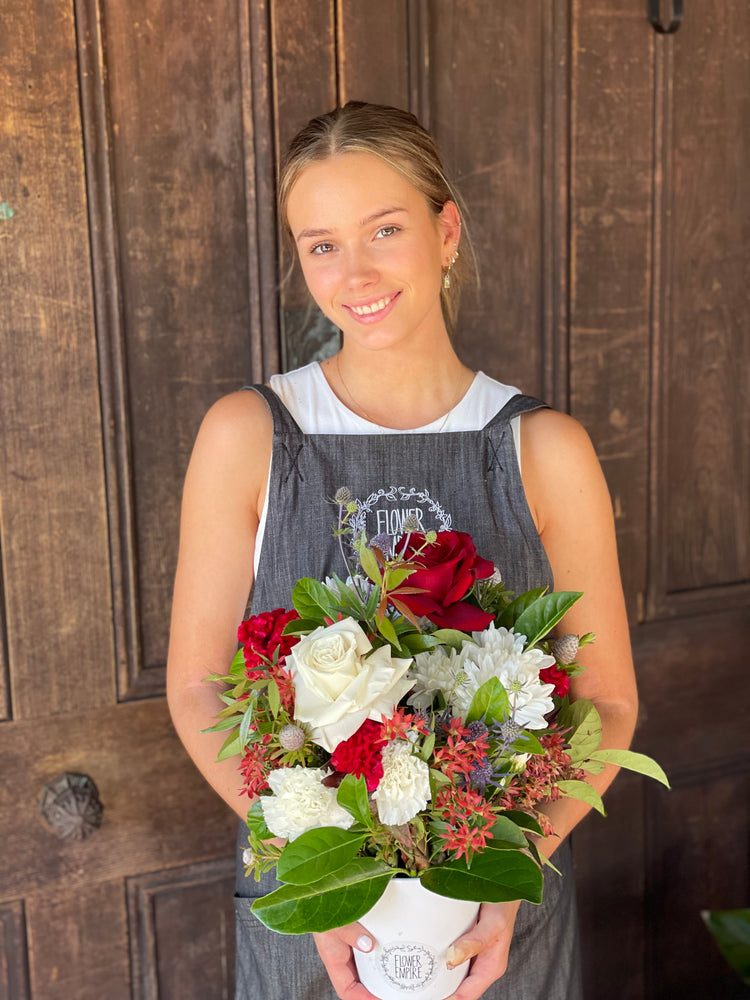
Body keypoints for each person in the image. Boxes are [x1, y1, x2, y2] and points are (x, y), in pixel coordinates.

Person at [166, 101, 639, 1000]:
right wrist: (325, 876)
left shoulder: (546, 449)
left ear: (446, 229)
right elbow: (198, 685)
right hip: (316, 910)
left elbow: (608, 700)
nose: (357, 273)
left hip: (492, 923)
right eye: (322, 244)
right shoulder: (249, 436)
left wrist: (501, 877)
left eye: (385, 228)